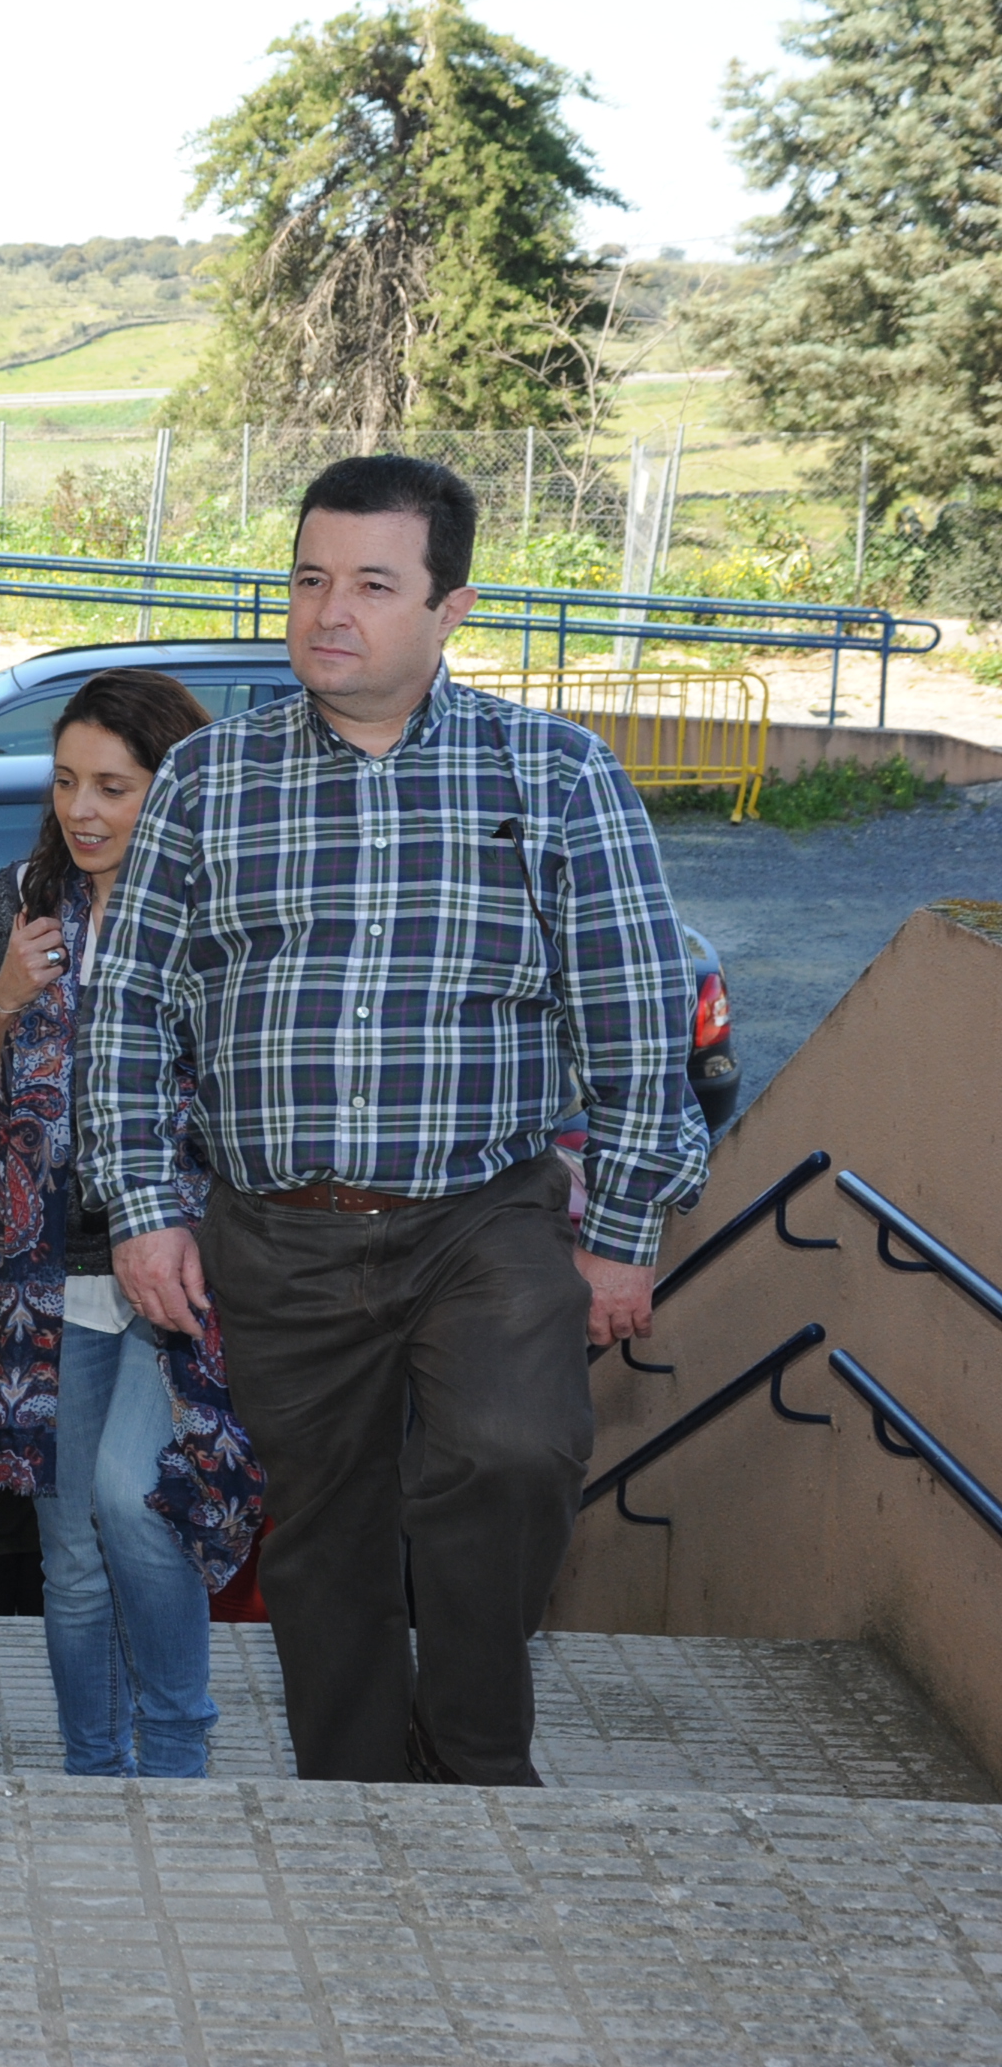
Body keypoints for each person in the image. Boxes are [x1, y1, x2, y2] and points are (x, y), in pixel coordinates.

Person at [82, 455, 710, 1787]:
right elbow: (129, 1014)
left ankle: (477, 1756)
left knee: (515, 1450)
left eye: (373, 583)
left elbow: (636, 1012)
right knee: (320, 1538)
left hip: (483, 1220)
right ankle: (361, 1802)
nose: (329, 611)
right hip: (277, 1235)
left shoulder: (554, 775)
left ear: (450, 608)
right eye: (310, 578)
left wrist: (627, 1231)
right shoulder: (207, 781)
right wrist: (145, 1211)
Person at [0, 668, 262, 1779]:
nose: (82, 809)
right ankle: (95, 1769)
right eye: (67, 781)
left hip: (183, 1258)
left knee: (135, 1496)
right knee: (71, 1555)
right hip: (47, 1269)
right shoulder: (22, 895)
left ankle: (177, 1752)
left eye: (113, 787)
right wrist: (4, 994)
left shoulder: (222, 906)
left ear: (170, 788)